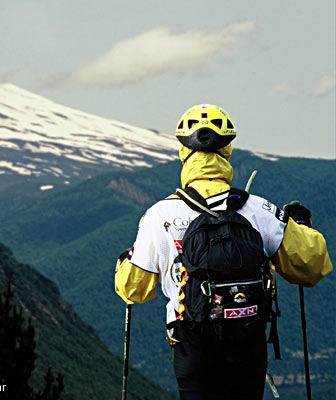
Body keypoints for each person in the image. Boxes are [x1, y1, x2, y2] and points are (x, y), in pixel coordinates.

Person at [114, 103, 333, 400]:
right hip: (248, 338)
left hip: (191, 344)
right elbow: (312, 266)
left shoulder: (159, 215)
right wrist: (300, 227)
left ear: (183, 152)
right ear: (227, 149)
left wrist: (124, 264)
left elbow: (134, 291)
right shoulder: (257, 209)